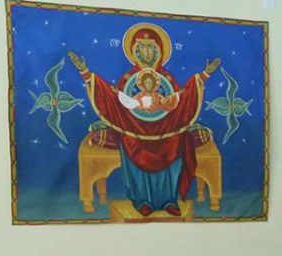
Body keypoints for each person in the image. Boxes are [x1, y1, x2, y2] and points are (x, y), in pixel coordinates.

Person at [68, 23, 220, 217]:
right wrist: (86, 73)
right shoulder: (128, 78)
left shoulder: (166, 78)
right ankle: (143, 201)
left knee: (177, 141)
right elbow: (117, 102)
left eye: (151, 47)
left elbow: (178, 101)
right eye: (142, 47)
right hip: (135, 129)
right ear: (135, 51)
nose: (146, 52)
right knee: (130, 141)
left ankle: (168, 200)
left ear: (159, 50)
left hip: (166, 130)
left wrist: (204, 76)